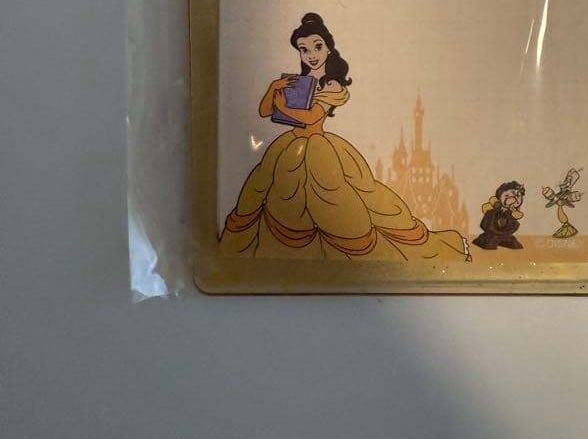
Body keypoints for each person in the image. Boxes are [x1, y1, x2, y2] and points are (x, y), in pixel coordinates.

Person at [219, 13, 470, 262]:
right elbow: (264, 111)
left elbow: (312, 117)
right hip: (289, 144)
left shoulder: (333, 86)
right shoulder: (298, 82)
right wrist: (274, 88)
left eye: (317, 46)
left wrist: (284, 107)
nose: (311, 54)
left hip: (318, 146)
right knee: (264, 184)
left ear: (328, 48)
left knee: (339, 193)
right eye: (304, 49)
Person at [472, 181, 526, 250]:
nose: (512, 199)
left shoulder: (513, 211)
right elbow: (486, 207)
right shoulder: (496, 205)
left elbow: (517, 215)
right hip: (492, 230)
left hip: (506, 231)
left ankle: (503, 238)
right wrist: (497, 206)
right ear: (499, 196)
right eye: (507, 196)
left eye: (517, 197)